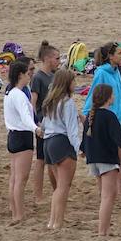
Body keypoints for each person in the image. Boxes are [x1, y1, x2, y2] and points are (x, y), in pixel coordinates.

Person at [83, 83, 121, 237]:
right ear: (108, 98)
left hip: (93, 159)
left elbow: (85, 138)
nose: (114, 97)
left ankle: (104, 228)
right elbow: (120, 139)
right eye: (112, 95)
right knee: (109, 197)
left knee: (104, 196)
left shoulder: (91, 116)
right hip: (106, 159)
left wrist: (84, 152)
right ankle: (103, 231)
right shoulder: (109, 116)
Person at [40, 68, 82, 231]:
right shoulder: (67, 102)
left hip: (48, 143)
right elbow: (72, 130)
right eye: (73, 81)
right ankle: (57, 222)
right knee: (63, 186)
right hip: (62, 142)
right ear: (67, 83)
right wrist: (80, 148)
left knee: (58, 187)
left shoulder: (50, 101)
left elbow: (43, 125)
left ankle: (52, 221)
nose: (75, 84)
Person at [3, 57, 39, 225]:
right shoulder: (19, 94)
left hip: (12, 135)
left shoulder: (9, 92)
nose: (29, 76)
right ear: (20, 75)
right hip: (22, 136)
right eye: (27, 73)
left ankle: (14, 210)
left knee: (15, 178)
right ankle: (19, 214)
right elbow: (26, 117)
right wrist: (36, 128)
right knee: (21, 179)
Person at [28, 41, 61, 201]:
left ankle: (57, 191)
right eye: (57, 58)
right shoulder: (38, 78)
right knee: (41, 160)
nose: (59, 61)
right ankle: (38, 196)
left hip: (55, 123)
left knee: (53, 160)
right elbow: (33, 103)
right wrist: (36, 123)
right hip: (43, 124)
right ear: (47, 59)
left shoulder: (55, 76)